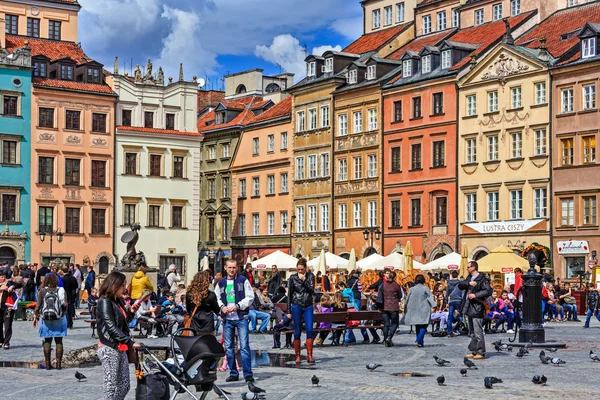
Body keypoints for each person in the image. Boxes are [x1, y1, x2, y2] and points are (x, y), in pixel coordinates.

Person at [96, 271, 140, 400]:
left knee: (124, 385)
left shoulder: (117, 300)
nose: (125, 289)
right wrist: (131, 343)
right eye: (123, 285)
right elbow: (111, 327)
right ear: (114, 285)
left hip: (121, 347)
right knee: (111, 386)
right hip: (109, 347)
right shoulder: (104, 302)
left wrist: (131, 313)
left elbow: (122, 323)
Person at [215, 259, 255, 383]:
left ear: (237, 268)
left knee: (244, 346)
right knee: (229, 347)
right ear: (225, 268)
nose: (232, 270)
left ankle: (248, 374)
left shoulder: (243, 281)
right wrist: (222, 307)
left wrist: (238, 306)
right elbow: (216, 298)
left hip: (241, 317)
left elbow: (250, 297)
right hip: (227, 318)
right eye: (229, 267)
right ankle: (233, 372)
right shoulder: (221, 283)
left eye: (234, 267)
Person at [459, 261, 493, 360]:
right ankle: (474, 351)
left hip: (477, 307)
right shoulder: (469, 278)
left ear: (474, 267)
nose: (467, 269)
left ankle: (481, 351)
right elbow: (460, 285)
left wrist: (476, 295)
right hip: (469, 306)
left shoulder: (482, 279)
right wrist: (468, 283)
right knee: (472, 331)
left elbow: (488, 291)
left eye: (468, 267)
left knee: (478, 331)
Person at [33, 273, 67, 369]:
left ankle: (48, 364)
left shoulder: (42, 290)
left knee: (47, 340)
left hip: (46, 318)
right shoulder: (61, 290)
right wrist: (62, 314)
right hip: (59, 318)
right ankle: (59, 364)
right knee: (59, 340)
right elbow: (65, 305)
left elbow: (38, 306)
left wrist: (36, 316)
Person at [288, 258, 315, 364]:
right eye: (298, 269)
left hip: (308, 305)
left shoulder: (310, 276)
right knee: (297, 330)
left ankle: (309, 355)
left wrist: (304, 281)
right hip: (296, 305)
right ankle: (298, 356)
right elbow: (289, 294)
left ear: (305, 268)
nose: (300, 272)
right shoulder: (292, 277)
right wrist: (289, 310)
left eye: (302, 269)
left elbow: (312, 291)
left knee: (309, 329)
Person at [402, 274, 436, 347]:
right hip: (424, 309)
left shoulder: (412, 289)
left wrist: (405, 308)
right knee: (424, 325)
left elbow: (407, 299)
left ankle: (420, 342)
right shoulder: (425, 288)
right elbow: (430, 297)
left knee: (417, 325)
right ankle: (419, 340)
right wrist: (434, 306)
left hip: (414, 309)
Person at [375, 268, 403, 347]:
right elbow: (400, 296)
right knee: (395, 323)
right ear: (394, 277)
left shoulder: (382, 285)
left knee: (386, 324)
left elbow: (379, 296)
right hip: (394, 307)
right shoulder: (397, 285)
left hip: (385, 307)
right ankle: (389, 338)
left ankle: (385, 339)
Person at [0, 271, 21, 350]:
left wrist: (12, 286)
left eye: (4, 276)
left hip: (7, 307)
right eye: (1, 277)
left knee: (7, 325)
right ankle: (0, 340)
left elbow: (20, 284)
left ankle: (6, 342)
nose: (3, 278)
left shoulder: (8, 283)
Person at [445, 271, 463, 337]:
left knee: (450, 316)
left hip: (451, 301)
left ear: (451, 275)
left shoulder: (449, 283)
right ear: (458, 275)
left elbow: (447, 294)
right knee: (460, 315)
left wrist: (446, 302)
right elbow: (462, 292)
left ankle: (449, 331)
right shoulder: (460, 283)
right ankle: (457, 329)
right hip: (459, 300)